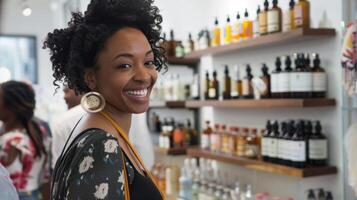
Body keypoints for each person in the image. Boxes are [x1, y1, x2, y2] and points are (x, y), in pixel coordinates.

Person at [43, 0, 166, 199]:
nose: (144, 76)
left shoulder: (109, 133)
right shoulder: (100, 148)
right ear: (90, 77)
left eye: (148, 62)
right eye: (124, 65)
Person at [0, 81, 50, 200]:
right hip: (37, 195)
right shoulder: (40, 131)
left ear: (11, 106)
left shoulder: (8, 141)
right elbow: (46, 178)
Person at [51, 87, 84, 169]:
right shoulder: (113, 113)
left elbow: (58, 166)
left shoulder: (64, 121)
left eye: (66, 91)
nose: (64, 97)